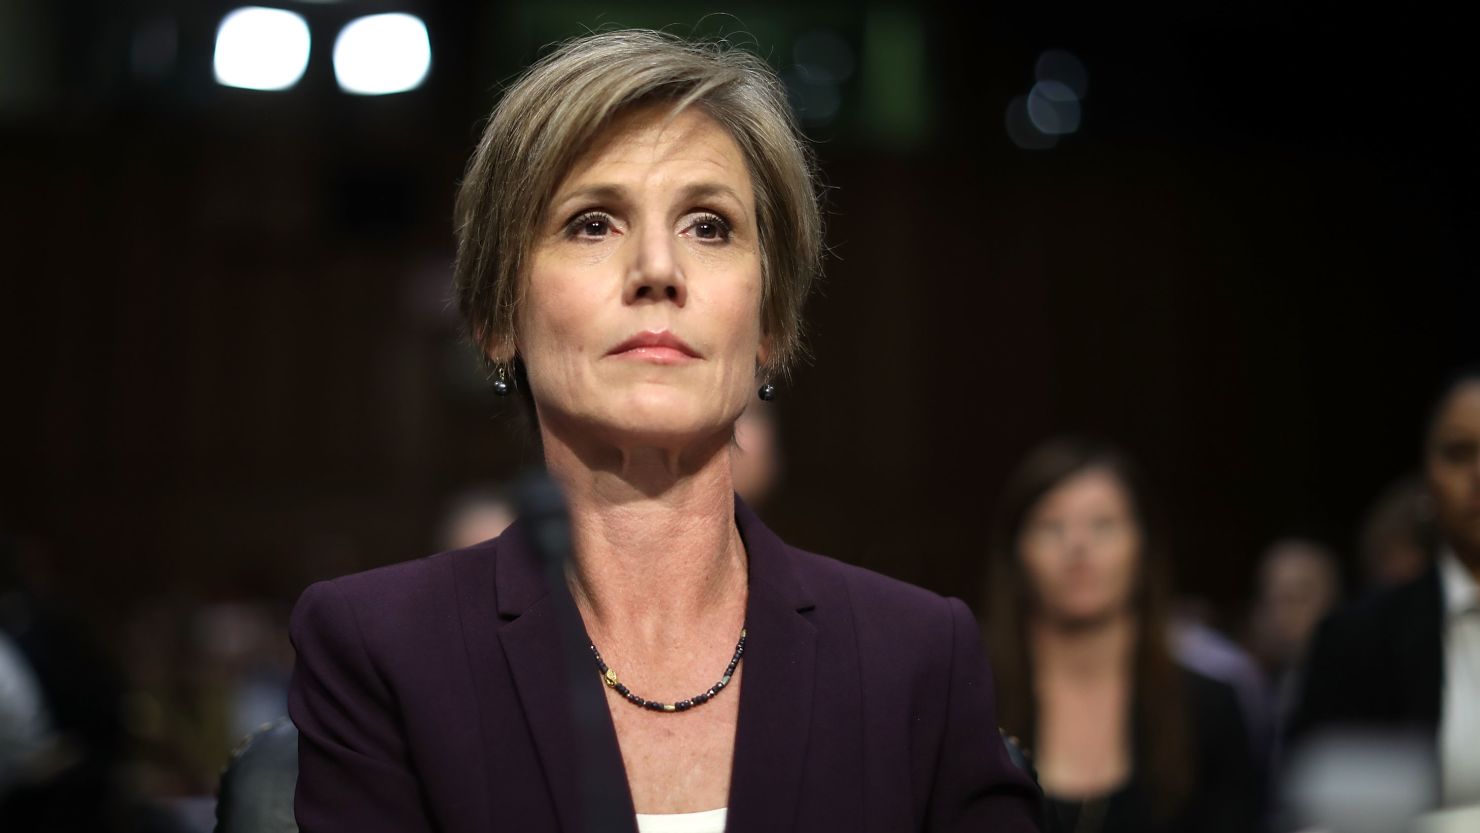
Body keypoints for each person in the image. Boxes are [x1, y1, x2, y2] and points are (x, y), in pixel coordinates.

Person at [288, 29, 1041, 833]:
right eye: (592, 223)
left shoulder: (918, 657)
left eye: (709, 226)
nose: (658, 269)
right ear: (495, 320)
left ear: (771, 327)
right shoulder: (381, 649)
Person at [983, 438, 1260, 833]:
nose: (1078, 546)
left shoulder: (1208, 705)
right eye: (1051, 526)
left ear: (1143, 547)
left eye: (1104, 525)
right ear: (1016, 553)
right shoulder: (972, 698)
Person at [1287, 367, 1480, 816]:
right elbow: (1323, 814)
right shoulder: (1357, 642)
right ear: (1426, 482)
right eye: (1459, 453)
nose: (1479, 474)